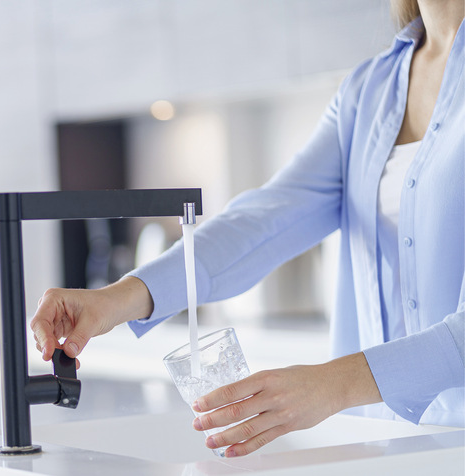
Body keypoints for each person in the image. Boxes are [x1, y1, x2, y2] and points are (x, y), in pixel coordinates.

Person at [31, 0, 465, 458]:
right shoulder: (369, 90)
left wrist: (332, 384)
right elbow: (265, 220)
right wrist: (116, 299)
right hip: (379, 440)